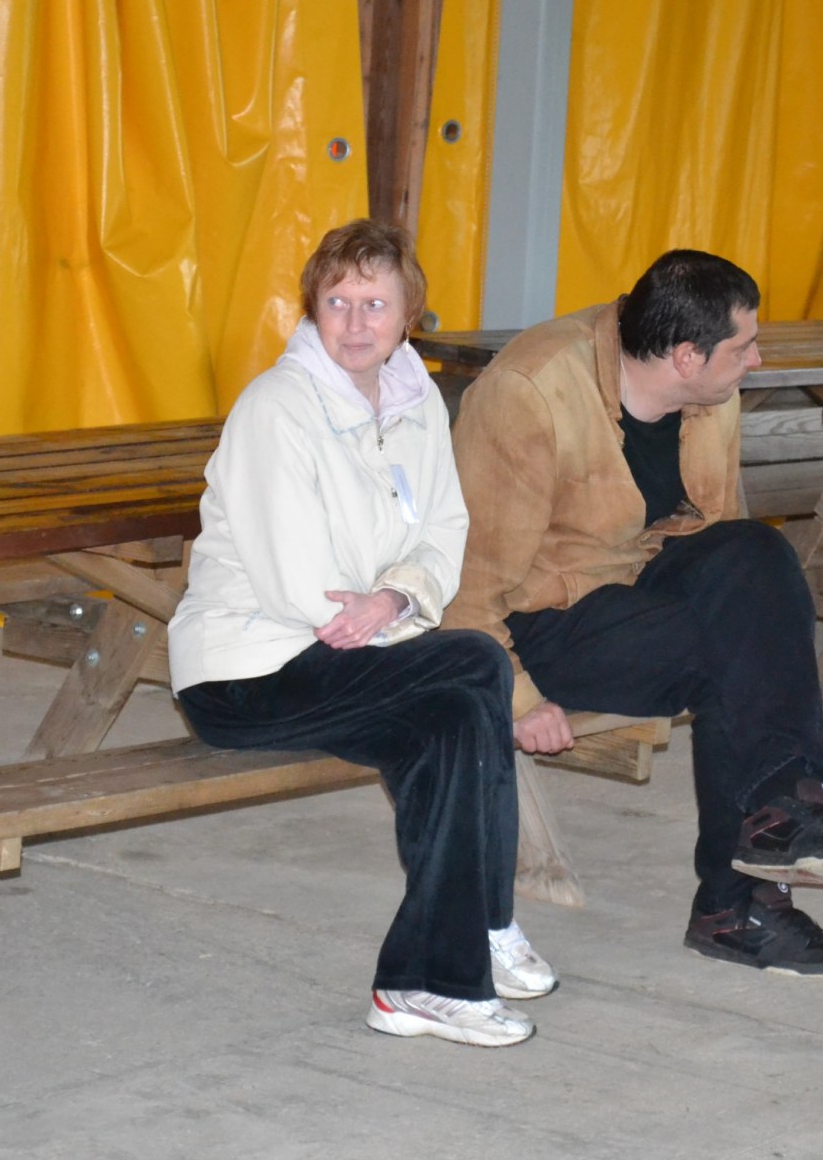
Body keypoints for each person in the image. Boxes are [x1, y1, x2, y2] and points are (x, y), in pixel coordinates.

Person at [168, 219, 555, 1047]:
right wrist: (389, 611)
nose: (353, 322)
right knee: (474, 662)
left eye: (374, 304)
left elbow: (443, 531)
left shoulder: (417, 405)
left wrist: (395, 599)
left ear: (408, 313)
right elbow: (301, 586)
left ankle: (421, 981)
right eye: (336, 302)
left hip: (353, 655)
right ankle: (479, 929)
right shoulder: (277, 407)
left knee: (454, 717)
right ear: (311, 309)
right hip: (248, 671)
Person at [444, 249, 823, 976]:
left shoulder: (711, 390)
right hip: (539, 618)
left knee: (761, 559)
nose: (757, 360)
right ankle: (737, 908)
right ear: (684, 356)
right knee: (731, 657)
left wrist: (749, 604)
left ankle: (788, 804)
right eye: (744, 347)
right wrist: (515, 695)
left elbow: (721, 534)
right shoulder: (530, 393)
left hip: (639, 577)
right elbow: (468, 586)